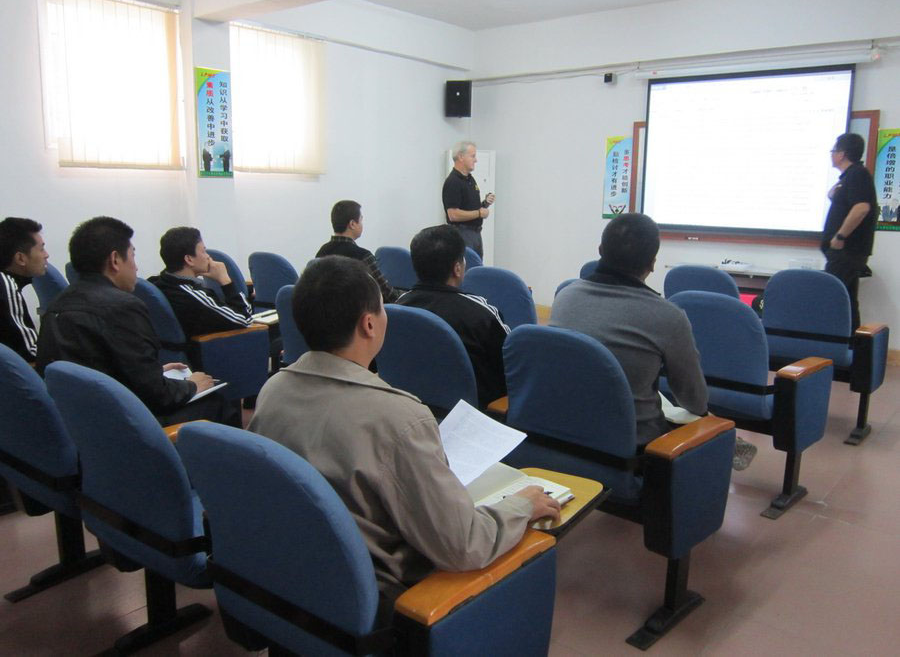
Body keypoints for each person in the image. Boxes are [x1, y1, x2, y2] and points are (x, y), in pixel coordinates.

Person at [248, 256, 559, 597]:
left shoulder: (273, 390)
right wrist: (522, 506)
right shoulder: (399, 418)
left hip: (301, 576)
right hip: (378, 595)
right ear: (369, 324)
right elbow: (464, 544)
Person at [551, 212, 756, 469]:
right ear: (653, 263)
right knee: (712, 428)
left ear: (600, 250)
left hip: (561, 430)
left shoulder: (565, 296)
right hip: (632, 446)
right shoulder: (668, 316)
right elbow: (694, 400)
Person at [36, 216, 236, 427]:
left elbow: (95, 369)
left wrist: (154, 373)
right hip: (123, 424)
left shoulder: (58, 303)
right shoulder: (122, 306)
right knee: (217, 403)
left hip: (77, 420)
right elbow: (160, 397)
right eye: (132, 255)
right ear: (115, 260)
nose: (136, 267)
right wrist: (192, 386)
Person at [398, 225, 509, 409]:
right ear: (457, 268)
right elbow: (510, 365)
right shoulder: (480, 314)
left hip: (411, 404)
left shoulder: (399, 307)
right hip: (471, 412)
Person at [150, 227, 252, 338]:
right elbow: (244, 319)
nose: (208, 256)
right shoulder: (191, 296)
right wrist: (225, 280)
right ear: (189, 259)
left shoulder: (156, 283)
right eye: (203, 251)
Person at [822, 132, 878, 331]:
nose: (832, 155)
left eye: (833, 151)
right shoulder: (850, 176)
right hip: (846, 254)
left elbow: (862, 208)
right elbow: (843, 200)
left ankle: (834, 343)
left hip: (846, 252)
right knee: (848, 302)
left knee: (832, 298)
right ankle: (853, 345)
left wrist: (840, 236)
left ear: (842, 154)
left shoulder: (857, 174)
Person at [315, 200, 400, 302]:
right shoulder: (363, 256)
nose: (362, 224)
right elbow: (387, 294)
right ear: (352, 224)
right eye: (361, 220)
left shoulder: (321, 252)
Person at [0, 218, 48, 360]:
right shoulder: (6, 286)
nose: (46, 255)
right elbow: (31, 352)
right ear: (21, 258)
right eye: (41, 249)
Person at [442, 141, 494, 258]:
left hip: (475, 234)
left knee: (476, 267)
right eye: (473, 156)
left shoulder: (470, 179)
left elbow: (470, 208)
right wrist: (479, 213)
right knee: (466, 267)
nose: (476, 160)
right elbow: (453, 215)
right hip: (462, 234)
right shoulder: (453, 182)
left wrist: (485, 203)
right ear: (461, 157)